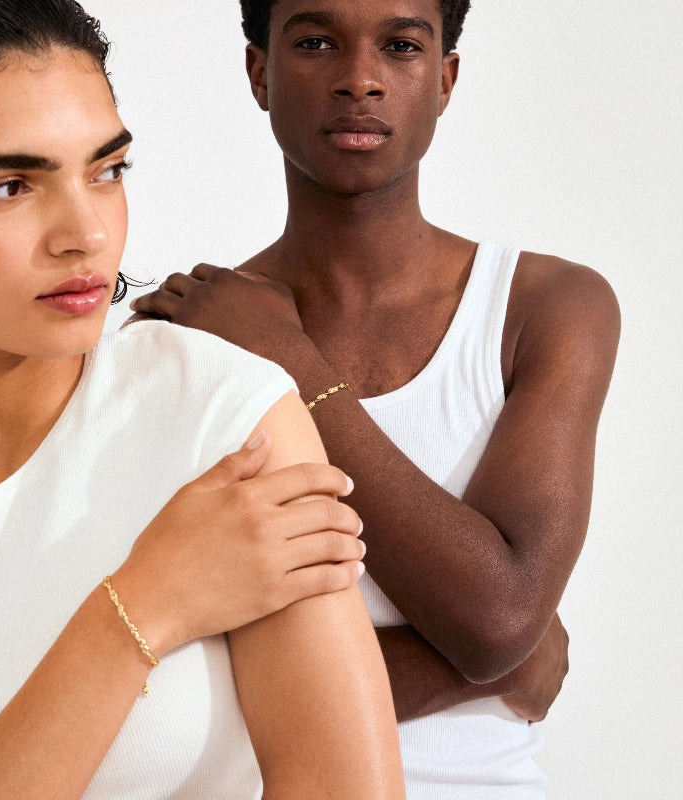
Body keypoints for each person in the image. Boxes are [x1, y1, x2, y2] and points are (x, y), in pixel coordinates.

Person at [0, 1, 407, 798]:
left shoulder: (225, 418)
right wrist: (140, 608)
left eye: (106, 171)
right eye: (11, 186)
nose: (84, 232)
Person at [130, 0, 621, 796]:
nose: (360, 80)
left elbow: (497, 616)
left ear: (445, 79)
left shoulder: (544, 305)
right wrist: (480, 669)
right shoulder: (185, 337)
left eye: (400, 46)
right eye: (317, 42)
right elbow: (164, 684)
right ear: (260, 71)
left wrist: (286, 358)